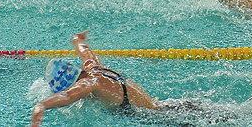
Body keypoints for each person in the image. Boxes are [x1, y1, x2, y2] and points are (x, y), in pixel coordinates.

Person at [30, 31, 162, 126]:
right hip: (162, 108)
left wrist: (41, 105)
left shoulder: (90, 82)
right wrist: (78, 39)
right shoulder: (92, 66)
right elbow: (85, 51)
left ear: (70, 84)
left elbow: (66, 96)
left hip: (161, 118)